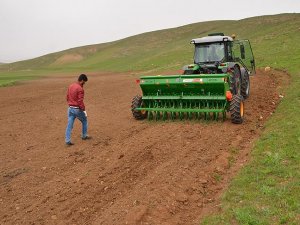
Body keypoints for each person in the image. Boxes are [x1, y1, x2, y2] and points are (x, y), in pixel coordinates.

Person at [65, 74, 91, 146]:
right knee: (85, 120)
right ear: (82, 80)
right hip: (77, 109)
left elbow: (67, 97)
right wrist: (83, 109)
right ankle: (84, 135)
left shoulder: (71, 86)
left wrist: (70, 104)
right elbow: (80, 101)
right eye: (84, 82)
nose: (84, 83)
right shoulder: (80, 89)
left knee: (69, 124)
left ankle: (67, 140)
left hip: (70, 108)